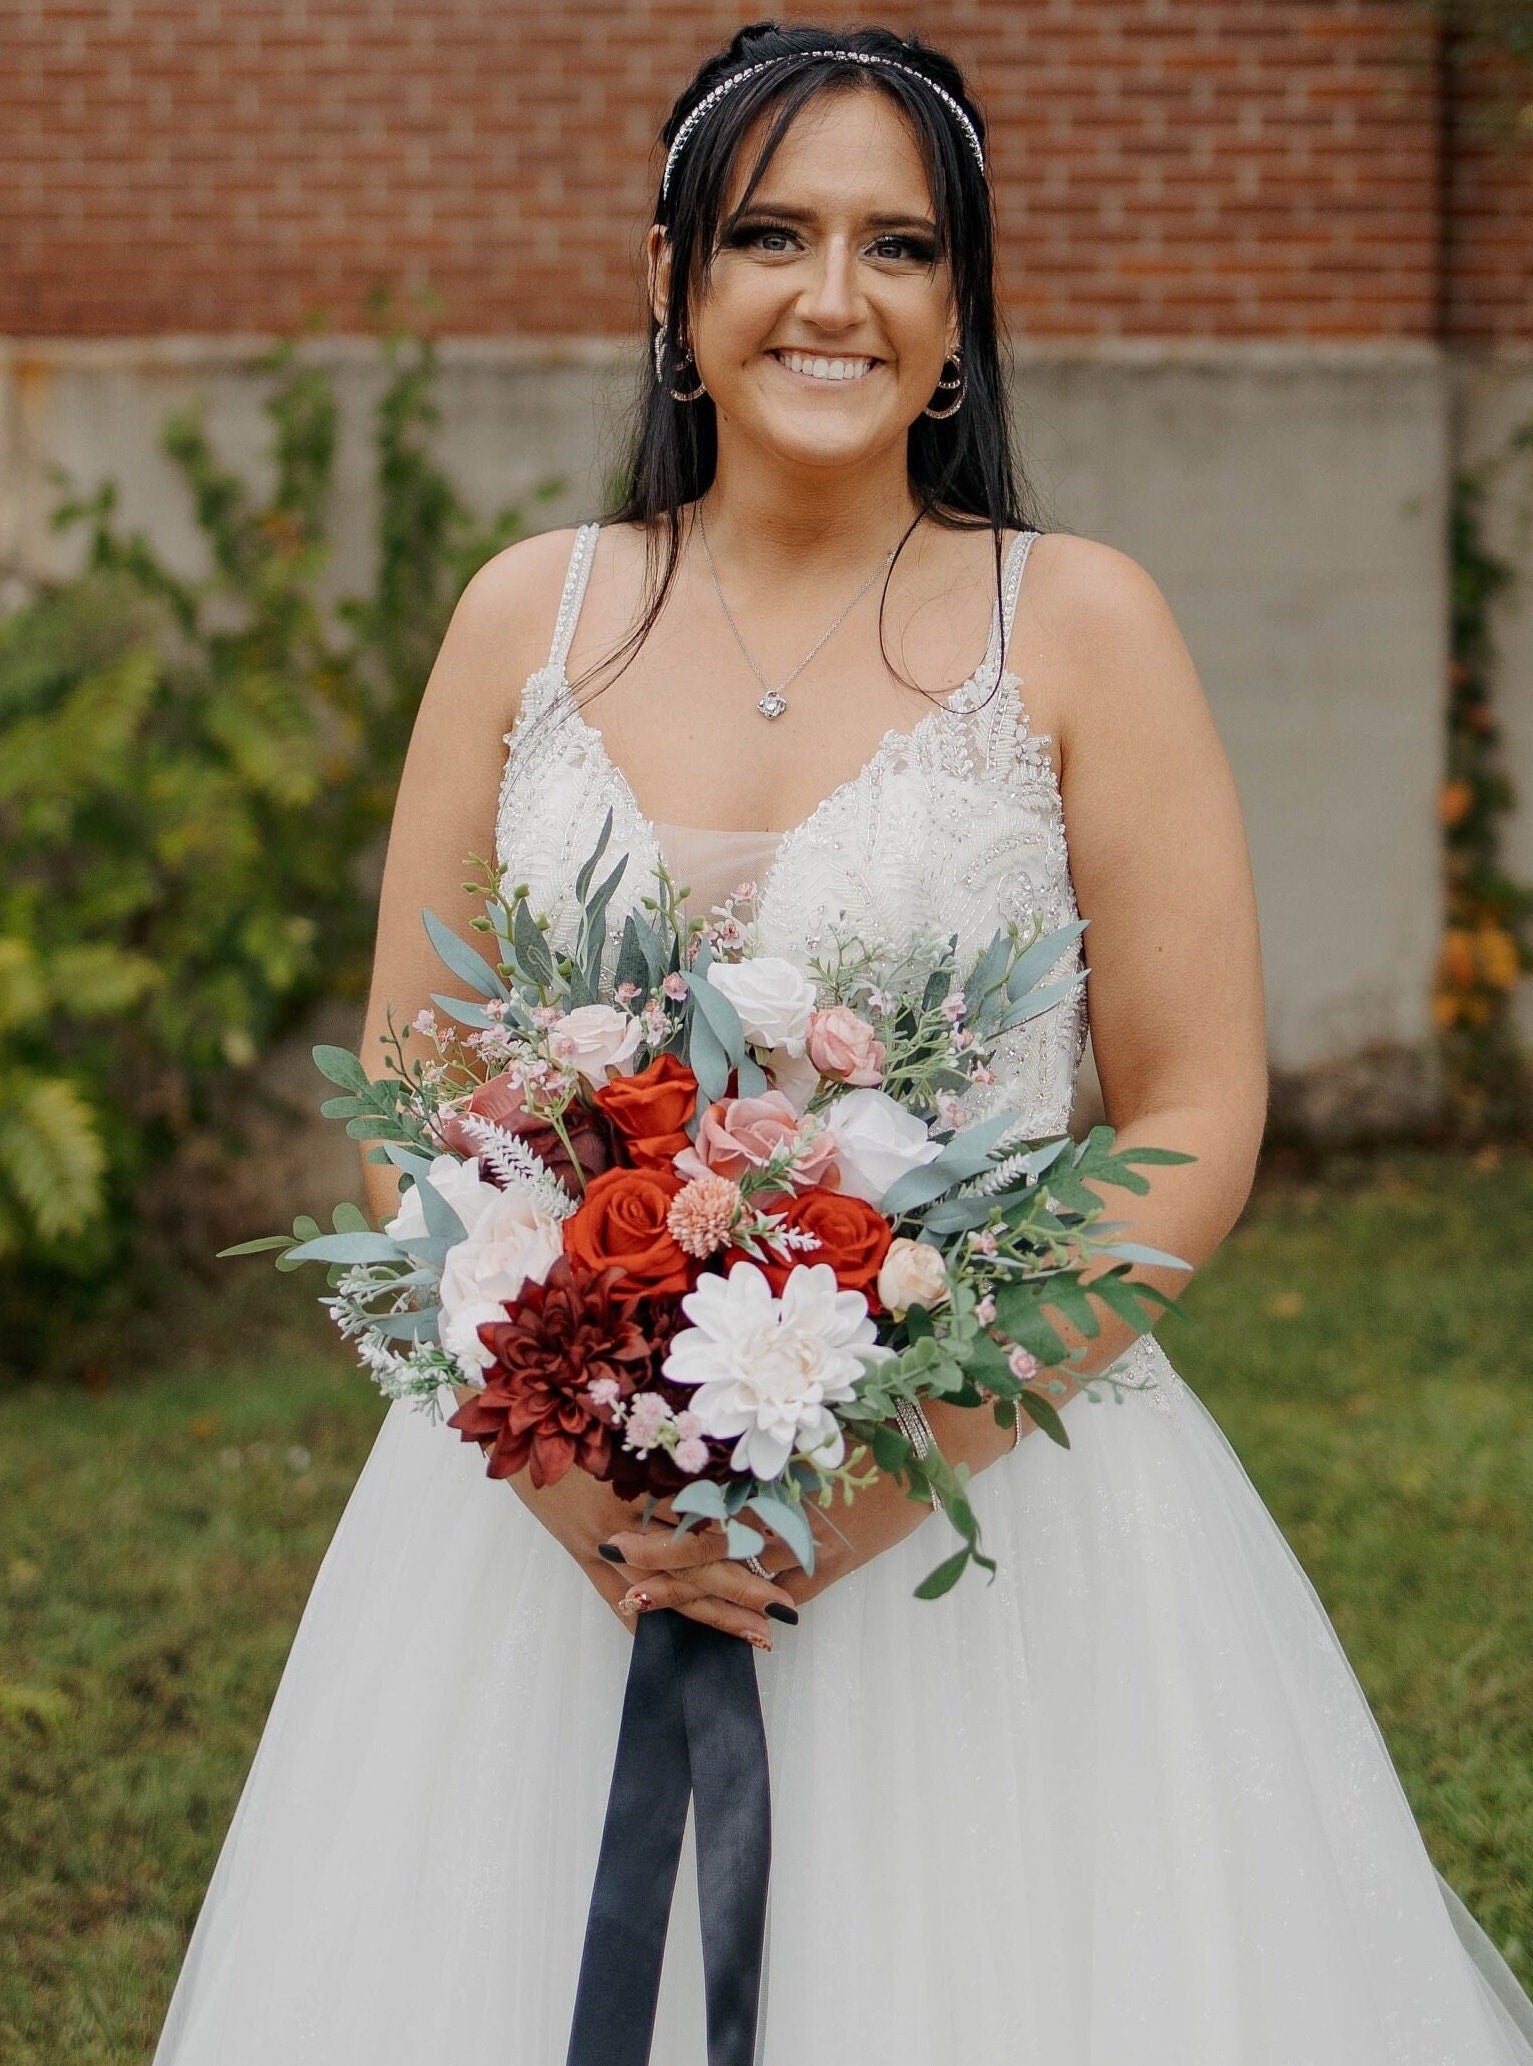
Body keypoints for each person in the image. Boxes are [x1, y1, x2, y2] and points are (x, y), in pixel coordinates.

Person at [152, 22, 1533, 2064]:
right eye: (769, 235)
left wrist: (883, 1474)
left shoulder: (1071, 629)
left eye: (897, 246)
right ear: (669, 285)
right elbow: (409, 1089)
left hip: (980, 1515)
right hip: (549, 1540)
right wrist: (562, 1471)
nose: (830, 297)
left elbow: (1191, 1106)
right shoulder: (529, 615)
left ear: (959, 309)